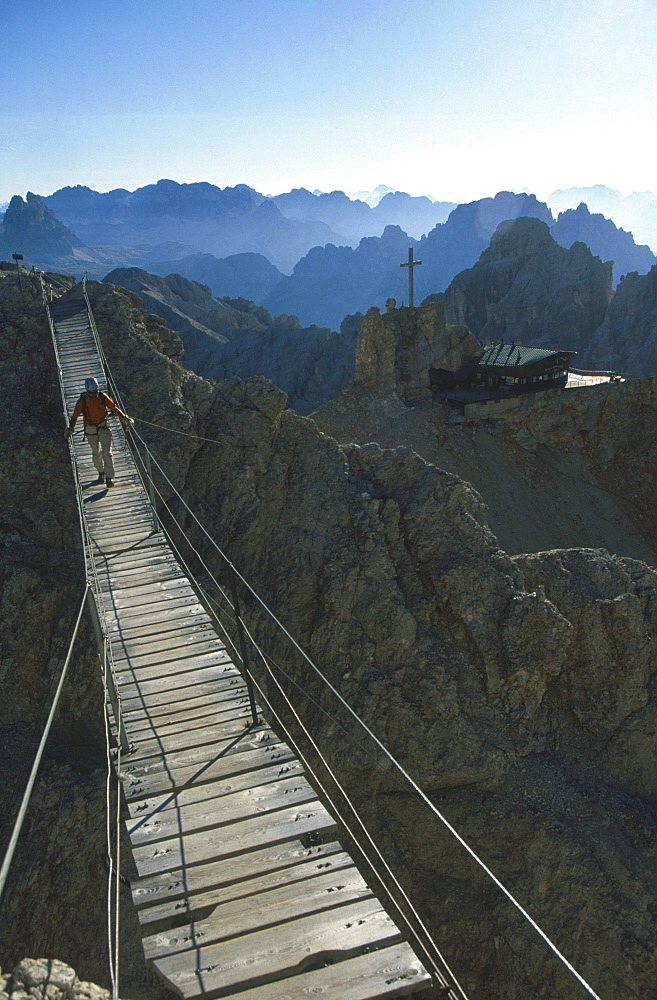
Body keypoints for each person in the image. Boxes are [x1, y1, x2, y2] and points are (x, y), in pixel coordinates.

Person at [63, 377, 134, 487]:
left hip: (103, 427)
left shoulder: (102, 397)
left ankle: (109, 477)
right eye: (91, 393)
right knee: (96, 453)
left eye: (95, 392)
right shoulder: (82, 401)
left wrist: (124, 417)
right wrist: (71, 428)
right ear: (87, 391)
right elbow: (75, 416)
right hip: (90, 429)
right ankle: (101, 472)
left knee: (107, 453)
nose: (93, 394)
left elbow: (114, 408)